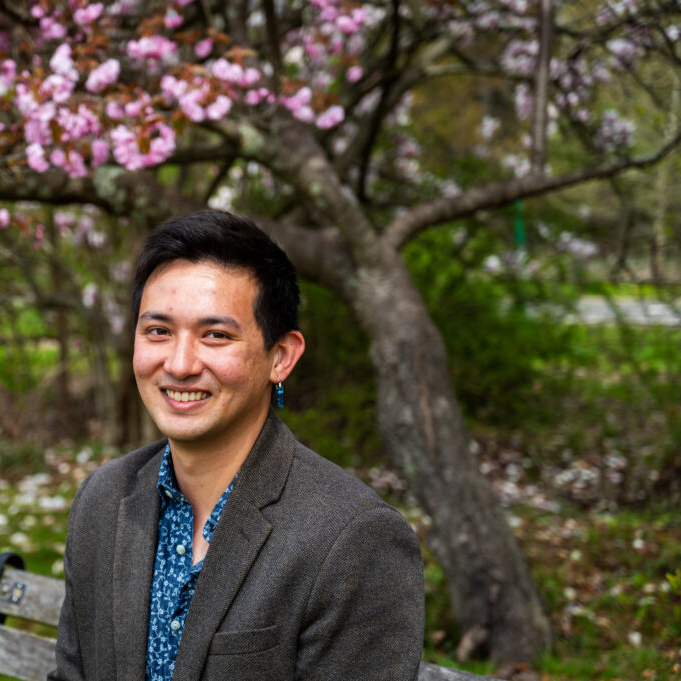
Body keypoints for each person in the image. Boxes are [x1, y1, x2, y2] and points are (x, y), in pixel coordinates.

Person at [50, 210, 424, 681]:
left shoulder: (353, 540)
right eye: (158, 331)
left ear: (281, 356)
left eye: (215, 335)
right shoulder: (103, 501)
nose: (180, 363)